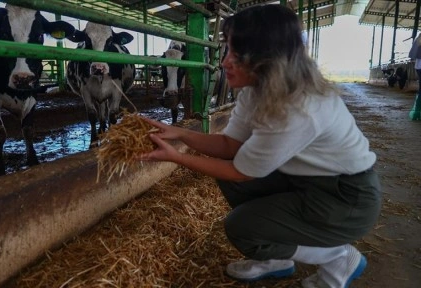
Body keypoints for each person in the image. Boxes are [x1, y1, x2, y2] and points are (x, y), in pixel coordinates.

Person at [140, 4, 382, 288]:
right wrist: (178, 133)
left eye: (237, 53)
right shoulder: (257, 89)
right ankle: (275, 259)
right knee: (231, 183)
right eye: (226, 49)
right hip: (305, 183)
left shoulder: (298, 107)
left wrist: (176, 158)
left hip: (345, 200)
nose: (225, 62)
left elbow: (242, 171)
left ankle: (336, 258)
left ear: (269, 56)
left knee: (240, 227)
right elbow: (230, 145)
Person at [408, 33, 421, 120]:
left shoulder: (419, 38)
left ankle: (416, 111)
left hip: (418, 67)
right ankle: (417, 112)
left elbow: (413, 54)